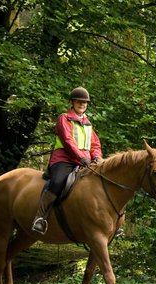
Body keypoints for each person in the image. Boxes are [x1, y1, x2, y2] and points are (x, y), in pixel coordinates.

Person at [31, 86, 102, 234]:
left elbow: (95, 143)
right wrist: (81, 157)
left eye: (85, 102)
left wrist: (96, 157)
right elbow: (68, 140)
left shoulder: (88, 123)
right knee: (57, 182)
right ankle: (40, 217)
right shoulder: (64, 118)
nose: (82, 104)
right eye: (79, 101)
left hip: (85, 162)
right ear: (72, 102)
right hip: (64, 159)